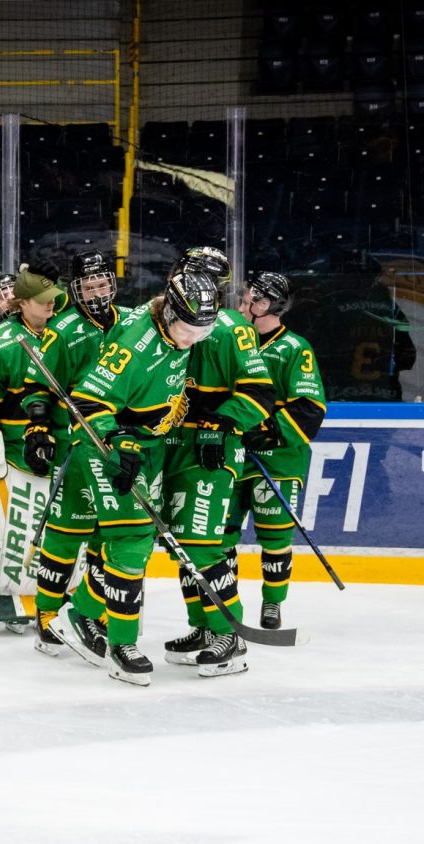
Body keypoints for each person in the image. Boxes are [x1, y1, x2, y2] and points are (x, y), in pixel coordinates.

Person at [48, 269, 221, 686]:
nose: (193, 339)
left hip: (148, 445)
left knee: (137, 541)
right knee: (131, 539)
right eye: (188, 330)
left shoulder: (177, 328)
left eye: (202, 331)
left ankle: (81, 613)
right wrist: (117, 441)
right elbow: (88, 402)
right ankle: (120, 646)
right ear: (170, 314)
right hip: (108, 445)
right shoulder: (134, 344)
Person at [155, 247, 274, 677]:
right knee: (182, 545)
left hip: (212, 449)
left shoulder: (233, 329)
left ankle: (231, 634)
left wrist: (220, 424)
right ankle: (204, 627)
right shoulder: (164, 319)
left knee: (203, 544)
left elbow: (259, 392)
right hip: (171, 445)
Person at [18, 251, 122, 644]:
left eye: (102, 283)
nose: (97, 292)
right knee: (64, 533)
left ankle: (96, 611)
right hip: (75, 446)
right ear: (75, 290)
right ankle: (47, 614)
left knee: (108, 533)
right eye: (89, 286)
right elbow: (37, 387)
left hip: (116, 445)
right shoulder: (63, 331)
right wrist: (38, 429)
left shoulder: (132, 323)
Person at [226, 271, 326, 630]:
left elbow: (310, 408)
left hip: (279, 458)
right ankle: (226, 600)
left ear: (265, 305)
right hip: (232, 454)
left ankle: (272, 601)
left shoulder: (294, 349)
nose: (241, 306)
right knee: (220, 534)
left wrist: (267, 432)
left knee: (275, 533)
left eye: (248, 300)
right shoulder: (233, 342)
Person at [0, 267, 60, 632]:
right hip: (15, 454)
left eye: (52, 299)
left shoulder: (64, 332)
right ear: (22, 303)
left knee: (59, 532)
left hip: (61, 446)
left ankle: (57, 600)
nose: (50, 305)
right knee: (17, 528)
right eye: (42, 300)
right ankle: (14, 602)